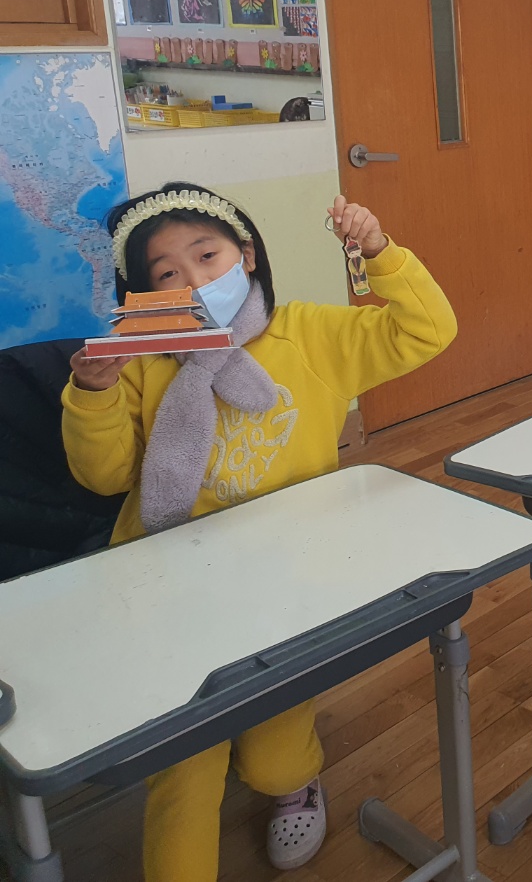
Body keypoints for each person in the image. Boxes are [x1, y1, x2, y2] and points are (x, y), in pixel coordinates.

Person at [63, 183, 456, 881]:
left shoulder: (308, 335)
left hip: (284, 582)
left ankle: (295, 783)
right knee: (182, 770)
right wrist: (93, 395)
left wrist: (379, 252)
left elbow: (426, 330)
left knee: (276, 758)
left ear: (245, 255)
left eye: (206, 256)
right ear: (145, 293)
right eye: (166, 272)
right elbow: (105, 476)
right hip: (170, 588)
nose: (192, 281)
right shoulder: (142, 360)